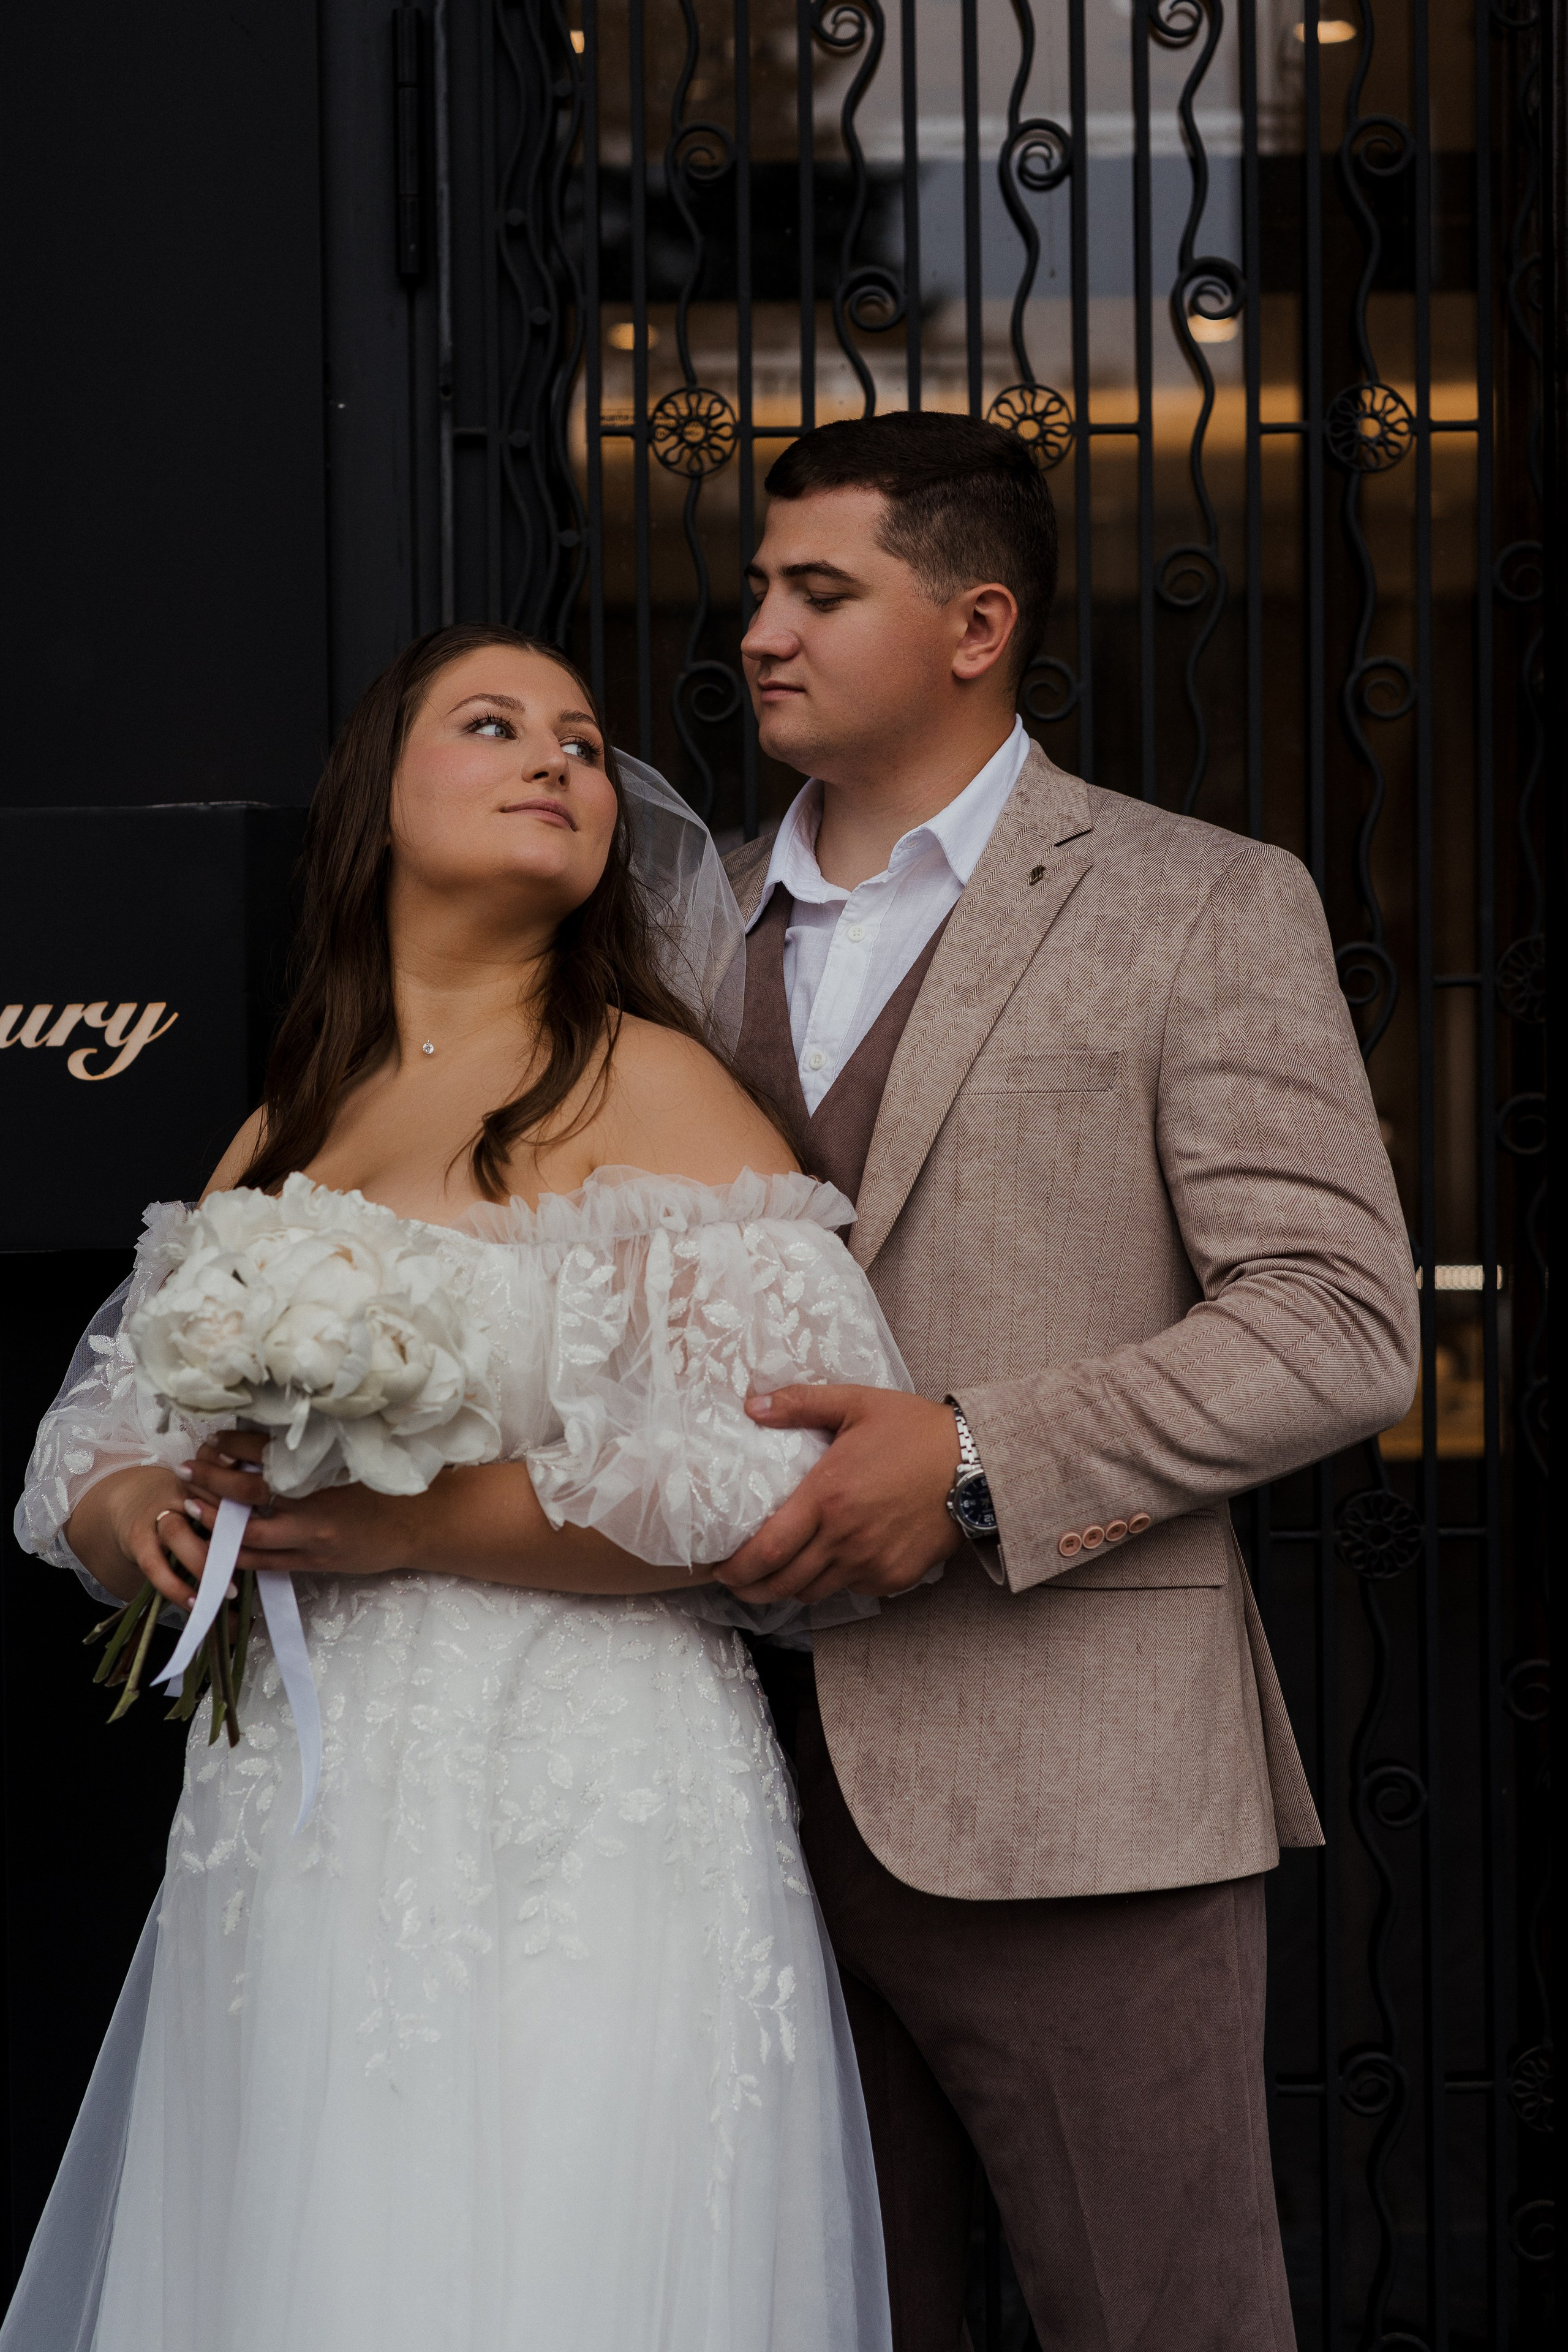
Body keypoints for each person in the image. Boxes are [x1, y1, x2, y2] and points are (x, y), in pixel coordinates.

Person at [6, 624, 900, 2352]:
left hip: (572, 1794)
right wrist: (147, 1519)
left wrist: (418, 1521)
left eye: (581, 740)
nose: (559, 759)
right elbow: (97, 1434)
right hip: (300, 1814)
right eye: (495, 725)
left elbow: (790, 1473)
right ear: (378, 797)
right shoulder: (295, 1120)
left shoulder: (654, 1085)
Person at [714, 410, 1420, 2352]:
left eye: (819, 590)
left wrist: (970, 1462)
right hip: (713, 1801)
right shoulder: (673, 926)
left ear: (978, 624)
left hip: (1077, 1788)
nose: (759, 630)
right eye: (761, 587)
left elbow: (1338, 1319)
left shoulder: (1198, 902)